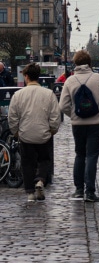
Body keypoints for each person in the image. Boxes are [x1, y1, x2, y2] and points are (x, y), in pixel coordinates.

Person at [59, 49, 99, 202]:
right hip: (96, 123)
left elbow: (63, 104)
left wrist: (73, 115)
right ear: (89, 63)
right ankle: (89, 191)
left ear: (75, 63)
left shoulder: (70, 80)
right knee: (92, 155)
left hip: (78, 124)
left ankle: (78, 189)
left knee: (80, 154)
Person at [8, 62, 60, 202]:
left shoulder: (18, 95)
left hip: (25, 134)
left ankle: (30, 192)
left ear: (26, 77)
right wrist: (52, 130)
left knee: (27, 163)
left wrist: (16, 132)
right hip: (44, 134)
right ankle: (40, 180)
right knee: (44, 159)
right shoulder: (48, 94)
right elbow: (55, 116)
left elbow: (12, 116)